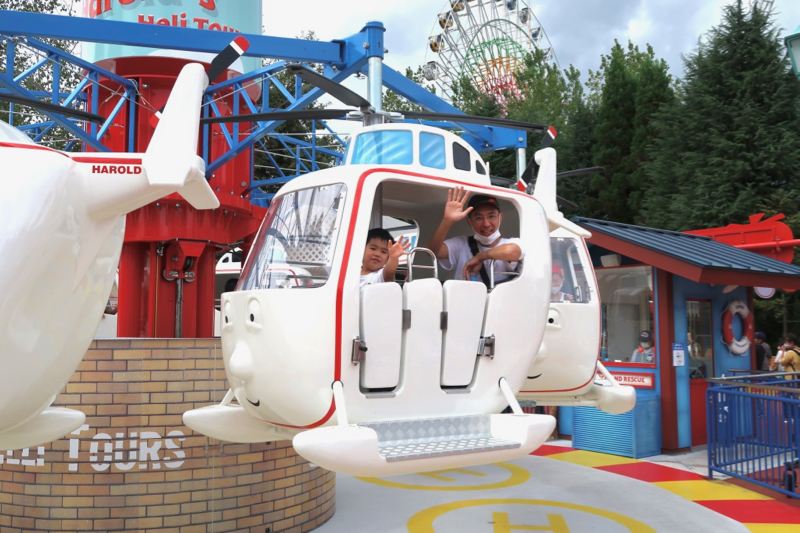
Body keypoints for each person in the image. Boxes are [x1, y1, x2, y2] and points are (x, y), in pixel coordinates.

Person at [427, 187, 524, 287]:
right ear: (469, 222)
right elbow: (434, 252)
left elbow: (510, 251)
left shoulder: (512, 243)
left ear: (500, 217)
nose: (486, 224)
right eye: (479, 218)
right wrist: (447, 221)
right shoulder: (461, 244)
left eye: (491, 216)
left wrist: (480, 257)